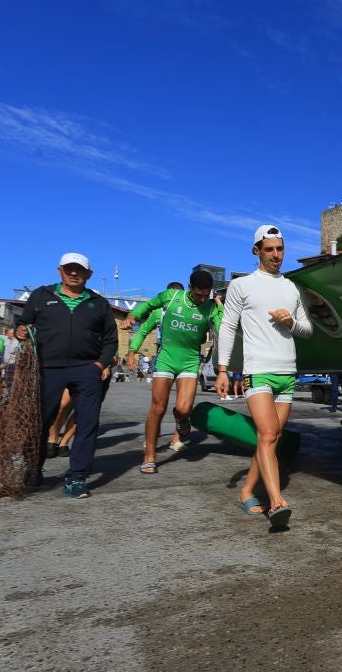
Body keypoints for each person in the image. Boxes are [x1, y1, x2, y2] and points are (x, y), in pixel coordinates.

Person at [216, 225, 312, 528]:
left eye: (280, 249)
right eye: (269, 249)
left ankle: (247, 491)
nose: (276, 255)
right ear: (256, 250)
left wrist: (291, 322)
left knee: (270, 438)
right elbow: (228, 327)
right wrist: (222, 369)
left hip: (287, 371)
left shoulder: (291, 287)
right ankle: (276, 501)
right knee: (269, 434)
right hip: (257, 371)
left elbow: (308, 330)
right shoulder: (242, 286)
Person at [15, 252, 118, 500]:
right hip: (48, 368)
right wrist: (19, 331)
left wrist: (99, 364)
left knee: (87, 422)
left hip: (86, 370)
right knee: (40, 420)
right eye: (69, 269)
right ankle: (34, 470)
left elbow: (111, 340)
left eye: (79, 270)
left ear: (88, 275)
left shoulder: (98, 303)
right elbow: (24, 324)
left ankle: (77, 476)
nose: (74, 273)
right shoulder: (42, 295)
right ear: (60, 271)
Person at [127, 270, 217, 472]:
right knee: (158, 408)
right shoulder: (171, 298)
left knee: (184, 410)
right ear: (190, 287)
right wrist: (134, 321)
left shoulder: (211, 307)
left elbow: (223, 329)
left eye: (206, 295)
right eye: (199, 294)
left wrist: (220, 309)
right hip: (167, 358)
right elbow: (147, 310)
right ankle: (150, 455)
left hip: (190, 360)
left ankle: (181, 422)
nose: (203, 299)